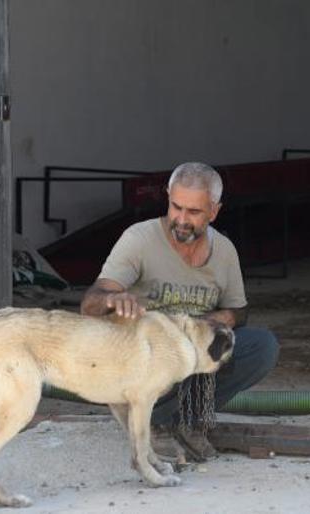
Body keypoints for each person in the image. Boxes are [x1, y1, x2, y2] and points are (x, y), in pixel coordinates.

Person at [80, 161, 279, 463]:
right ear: (168, 198)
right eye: (176, 207)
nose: (181, 220)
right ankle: (153, 421)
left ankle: (190, 420)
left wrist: (224, 318)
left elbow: (239, 312)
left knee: (261, 346)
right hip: (145, 356)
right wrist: (112, 299)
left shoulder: (224, 251)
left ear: (213, 211)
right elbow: (90, 303)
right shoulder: (139, 238)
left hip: (191, 353)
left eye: (194, 212)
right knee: (169, 350)